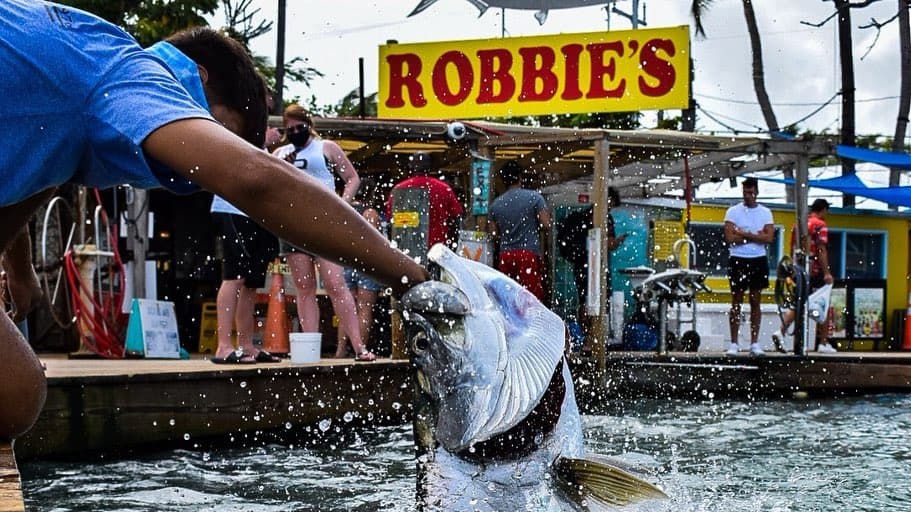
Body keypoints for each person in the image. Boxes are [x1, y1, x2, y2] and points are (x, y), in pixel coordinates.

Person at [0, 1, 427, 440]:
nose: (205, 174)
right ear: (197, 76)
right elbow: (256, 180)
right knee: (15, 395)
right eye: (218, 130)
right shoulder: (131, 74)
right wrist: (415, 281)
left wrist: (20, 269)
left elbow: (36, 165)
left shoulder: (80, 58)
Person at [273, 105, 376, 361]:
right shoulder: (280, 152)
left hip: (325, 221)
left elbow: (352, 177)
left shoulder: (326, 147)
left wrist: (343, 204)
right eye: (291, 129)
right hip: (293, 224)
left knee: (336, 284)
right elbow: (271, 185)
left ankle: (358, 346)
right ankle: (308, 351)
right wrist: (282, 167)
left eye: (300, 127)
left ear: (308, 124)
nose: (296, 132)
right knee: (304, 287)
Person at [555, 187, 626, 351]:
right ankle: (593, 339)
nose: (610, 208)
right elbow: (608, 243)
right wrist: (619, 241)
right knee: (599, 301)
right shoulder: (603, 218)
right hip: (596, 267)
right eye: (611, 204)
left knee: (585, 301)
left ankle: (587, 338)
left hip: (581, 264)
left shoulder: (582, 216)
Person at [776, 198, 837, 353]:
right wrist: (827, 273)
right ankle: (823, 343)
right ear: (823, 210)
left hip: (799, 271)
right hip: (815, 271)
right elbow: (821, 250)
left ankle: (781, 331)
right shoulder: (820, 226)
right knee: (823, 303)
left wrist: (794, 271)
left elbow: (793, 248)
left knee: (799, 303)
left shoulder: (799, 225)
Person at [724, 177, 775, 356]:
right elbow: (730, 238)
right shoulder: (733, 211)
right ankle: (733, 342)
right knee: (736, 300)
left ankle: (754, 342)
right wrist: (755, 236)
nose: (748, 196)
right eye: (745, 192)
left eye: (751, 192)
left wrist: (743, 234)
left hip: (757, 259)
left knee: (755, 300)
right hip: (738, 258)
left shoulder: (766, 212)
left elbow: (769, 238)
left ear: (757, 193)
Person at [487, 160, 551, 300]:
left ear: (503, 180)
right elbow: (546, 224)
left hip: (506, 255)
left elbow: (493, 234)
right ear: (520, 177)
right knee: (531, 298)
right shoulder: (535, 198)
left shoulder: (495, 204)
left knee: (507, 297)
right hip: (528, 254)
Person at [385, 151, 464, 256]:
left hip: (406, 249)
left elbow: (391, 223)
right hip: (437, 249)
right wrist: (451, 248)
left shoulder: (399, 189)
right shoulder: (444, 189)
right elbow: (455, 221)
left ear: (411, 166)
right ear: (430, 167)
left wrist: (395, 247)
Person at [337, 197, 385, 357]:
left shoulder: (343, 209)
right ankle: (361, 349)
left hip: (346, 261)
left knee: (346, 308)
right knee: (364, 309)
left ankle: (340, 350)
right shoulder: (370, 213)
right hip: (365, 263)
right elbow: (371, 240)